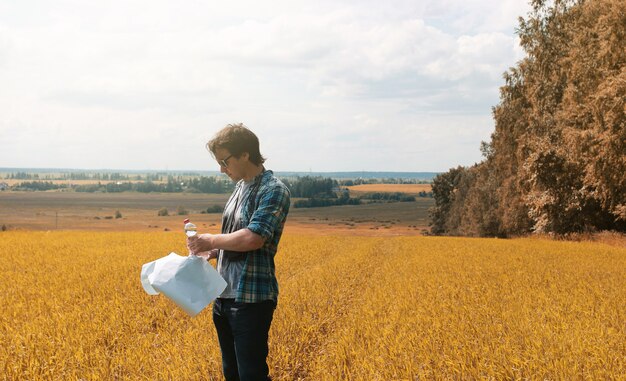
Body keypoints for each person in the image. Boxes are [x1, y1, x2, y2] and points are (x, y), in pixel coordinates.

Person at [187, 123, 290, 381]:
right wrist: (209, 253)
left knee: (251, 375)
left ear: (245, 154)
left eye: (225, 161)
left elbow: (253, 238)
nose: (222, 169)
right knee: (231, 374)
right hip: (224, 297)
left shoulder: (273, 189)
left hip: (250, 299)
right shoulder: (240, 187)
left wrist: (211, 240)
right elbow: (232, 238)